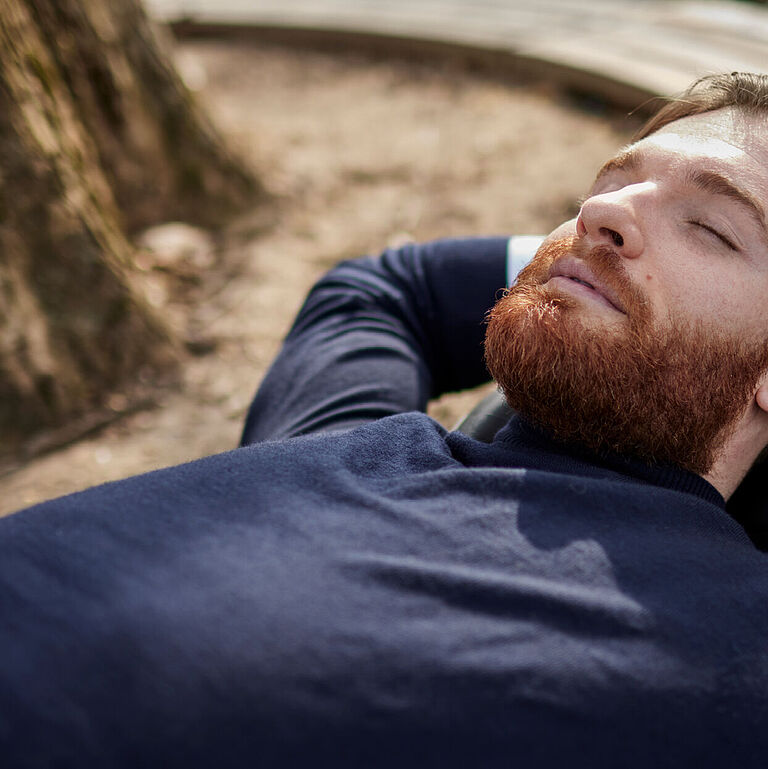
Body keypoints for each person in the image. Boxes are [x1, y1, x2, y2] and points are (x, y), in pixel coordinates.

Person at [2, 72, 768, 768]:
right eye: (609, 184)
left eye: (712, 227)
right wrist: (583, 261)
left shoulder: (737, 650)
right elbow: (385, 289)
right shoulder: (343, 447)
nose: (601, 210)